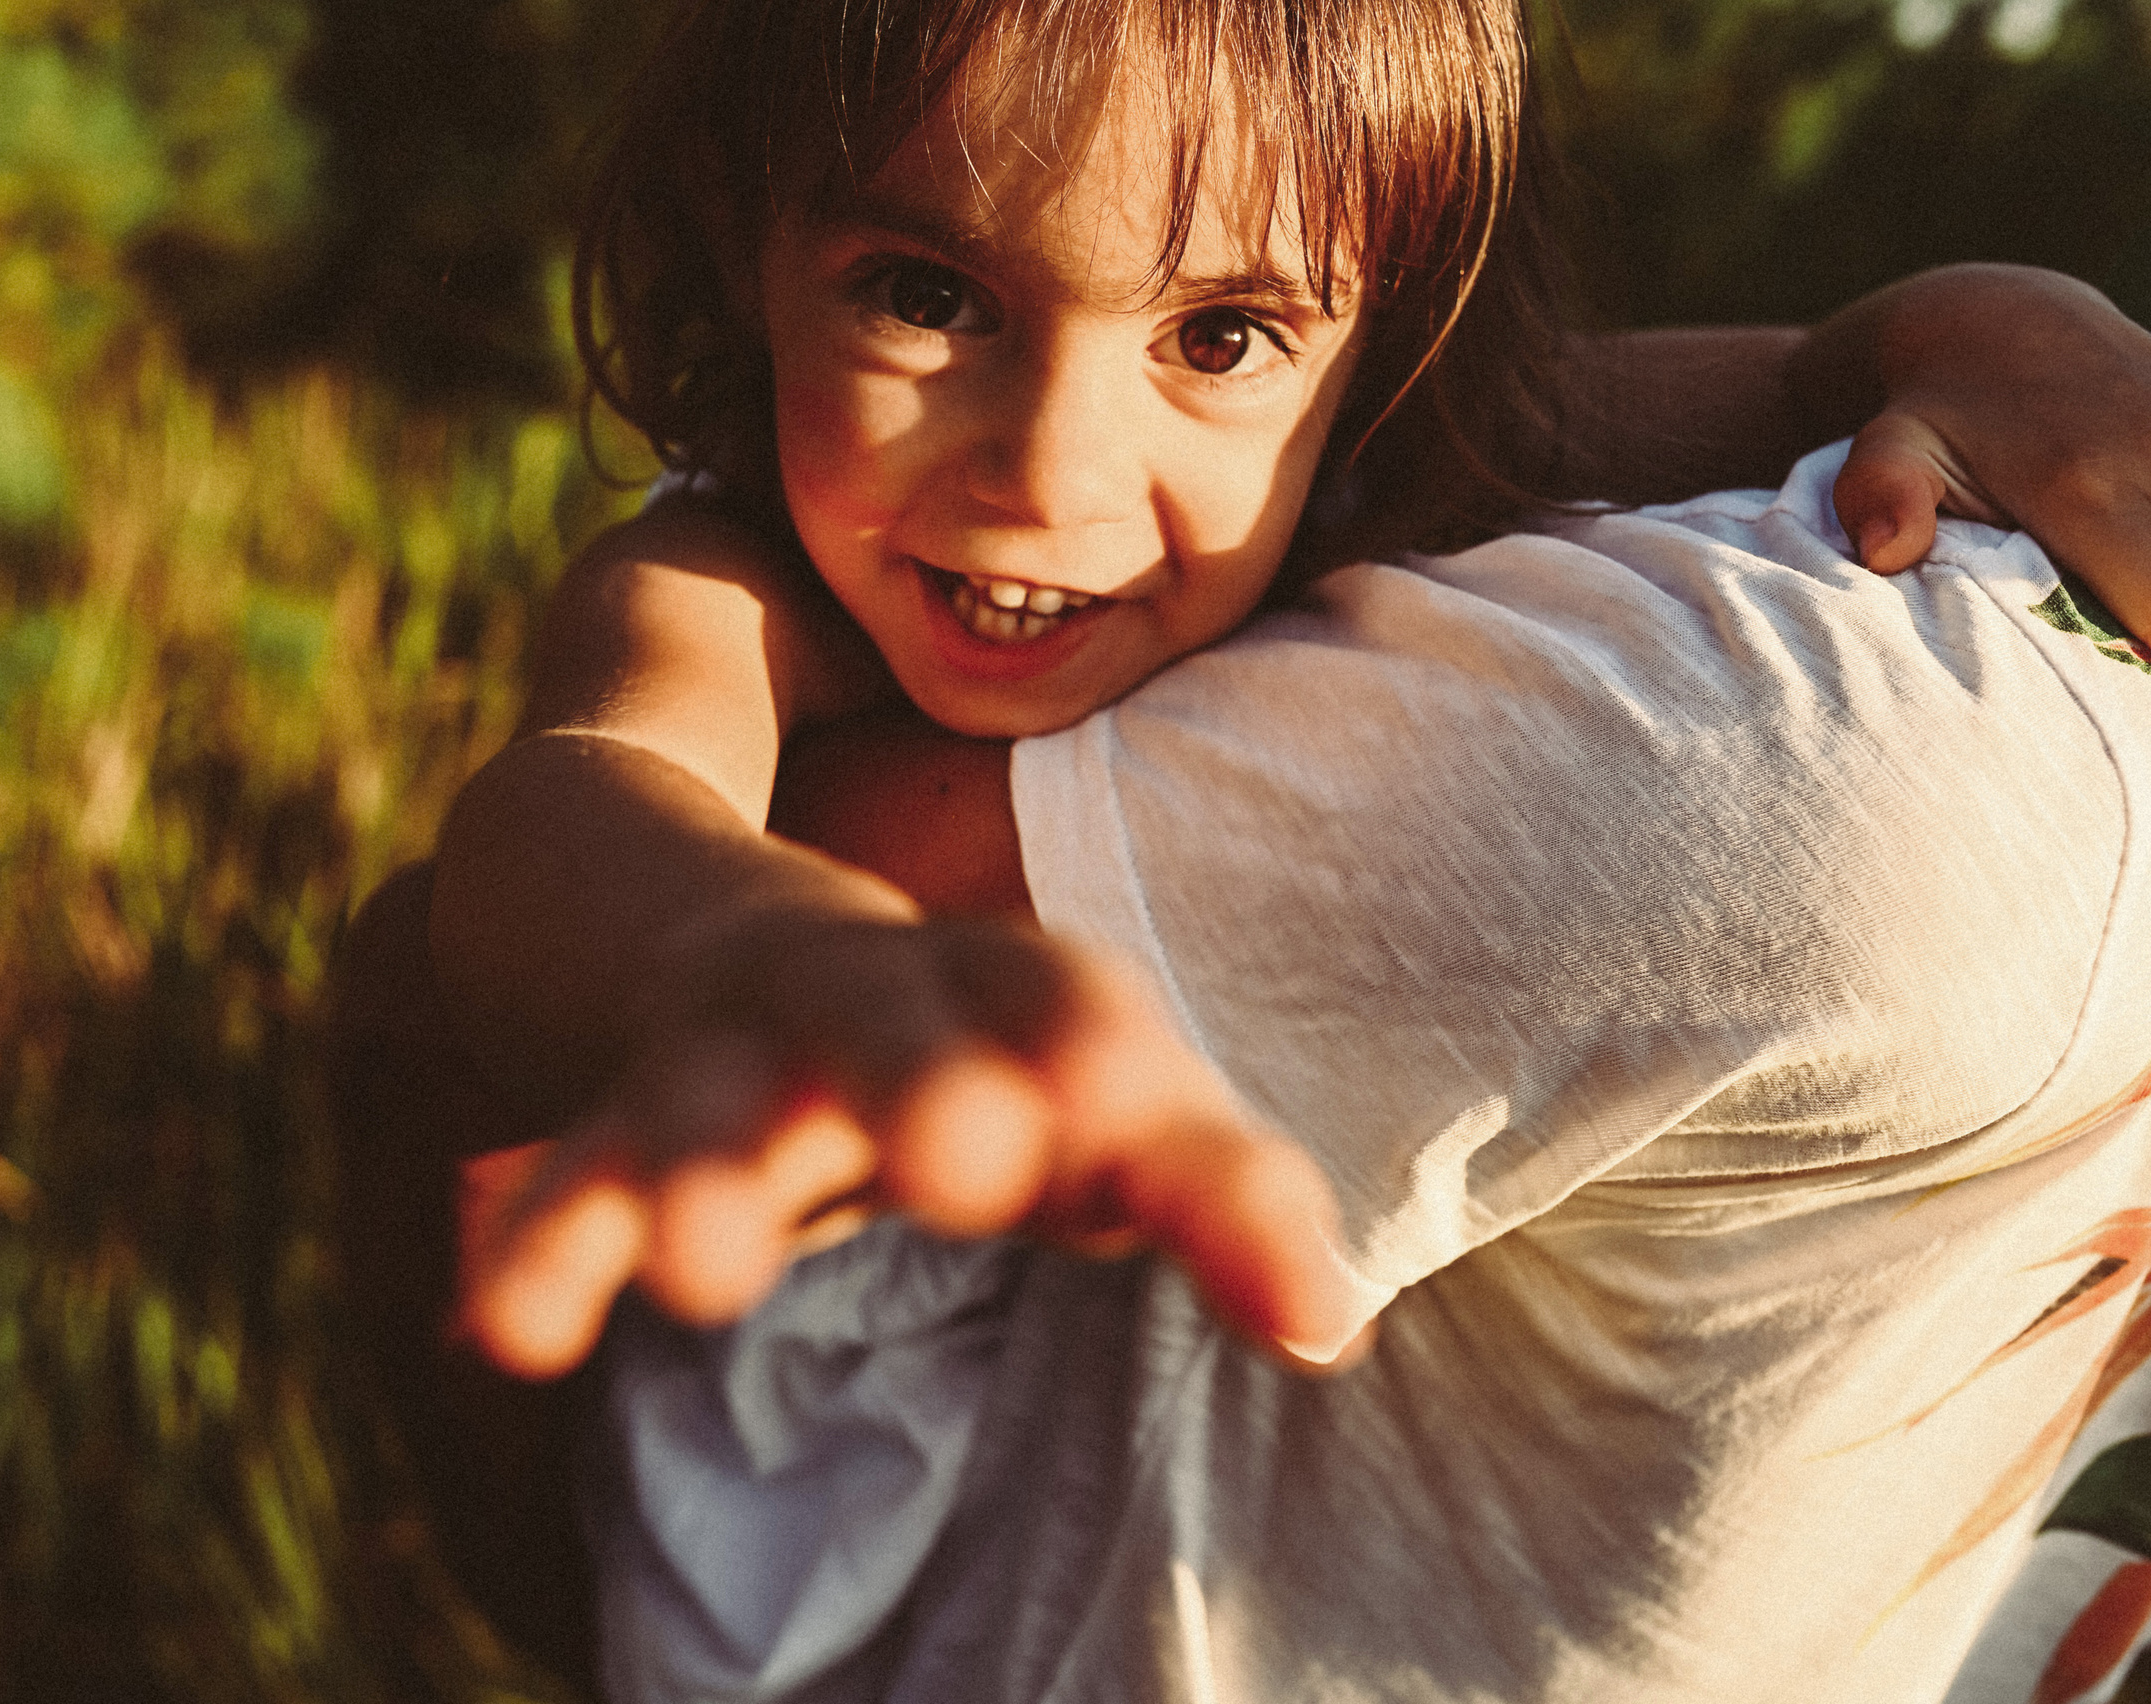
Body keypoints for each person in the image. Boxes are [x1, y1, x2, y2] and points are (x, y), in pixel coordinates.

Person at [327, 0, 2151, 1696]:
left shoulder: (1370, 441)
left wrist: (2016, 332)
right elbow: (582, 783)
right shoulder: (729, 563)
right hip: (791, 1555)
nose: (1051, 468)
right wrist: (758, 956)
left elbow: (1815, 371)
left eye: (1217, 336)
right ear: (746, 244)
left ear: (1381, 338)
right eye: (923, 293)